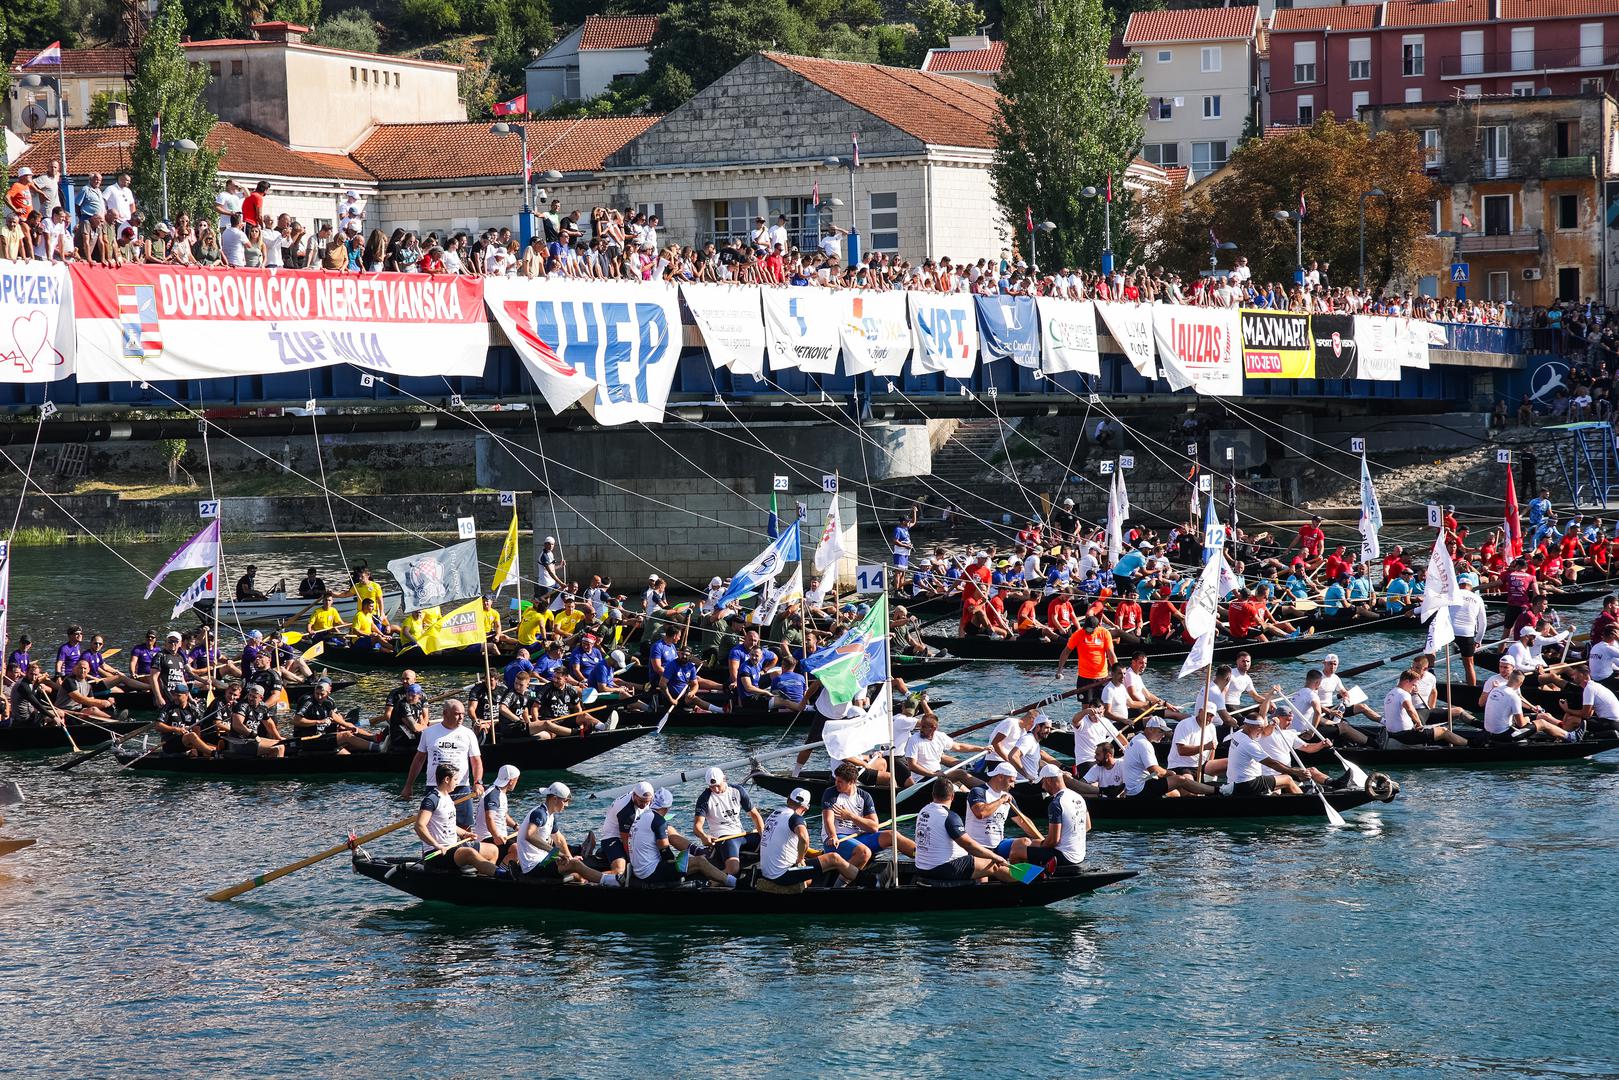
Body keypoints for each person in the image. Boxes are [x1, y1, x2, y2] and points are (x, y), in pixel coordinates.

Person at [400, 700, 484, 831]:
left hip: (461, 787)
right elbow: (418, 760)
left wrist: (478, 781)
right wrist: (408, 785)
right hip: (435, 787)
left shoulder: (468, 734)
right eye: (457, 714)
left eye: (463, 714)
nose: (461, 717)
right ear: (445, 713)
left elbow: (476, 761)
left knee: (465, 827)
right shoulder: (428, 733)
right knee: (433, 826)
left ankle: (464, 849)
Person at [913, 777, 1015, 883]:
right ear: (953, 796)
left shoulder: (923, 811)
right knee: (994, 865)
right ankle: (1026, 881)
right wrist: (995, 857)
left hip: (921, 867)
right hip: (943, 868)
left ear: (933, 794)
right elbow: (968, 845)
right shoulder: (949, 816)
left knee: (978, 860)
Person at [756, 788, 860, 891]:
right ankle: (867, 880)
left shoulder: (774, 814)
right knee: (834, 858)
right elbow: (804, 838)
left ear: (788, 799)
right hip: (783, 875)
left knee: (810, 875)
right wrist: (800, 859)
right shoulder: (795, 818)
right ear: (806, 808)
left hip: (767, 872)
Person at [821, 761, 915, 870]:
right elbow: (828, 820)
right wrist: (832, 836)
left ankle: (923, 857)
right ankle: (841, 882)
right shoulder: (830, 793)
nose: (836, 783)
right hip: (837, 840)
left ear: (852, 782)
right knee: (864, 852)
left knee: (893, 835)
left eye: (840, 781)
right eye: (836, 780)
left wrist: (851, 816)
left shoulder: (864, 796)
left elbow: (874, 827)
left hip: (859, 837)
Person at [415, 762, 500, 876]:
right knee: (469, 853)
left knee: (493, 850)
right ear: (446, 779)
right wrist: (436, 845)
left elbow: (448, 824)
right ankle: (502, 874)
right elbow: (419, 826)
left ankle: (485, 878)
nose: (457, 782)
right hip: (438, 852)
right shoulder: (431, 800)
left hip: (454, 846)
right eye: (455, 779)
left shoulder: (447, 797)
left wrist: (465, 834)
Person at [965, 762, 1046, 864]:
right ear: (1000, 777)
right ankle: (1004, 872)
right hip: (978, 846)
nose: (1013, 786)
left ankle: (1027, 871)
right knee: (982, 878)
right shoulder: (979, 791)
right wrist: (1001, 801)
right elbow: (980, 813)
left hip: (999, 845)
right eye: (1011, 781)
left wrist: (1043, 842)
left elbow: (1022, 821)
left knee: (1026, 842)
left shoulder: (1008, 797)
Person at [692, 767, 764, 876]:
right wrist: (703, 836)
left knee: (772, 843)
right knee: (733, 869)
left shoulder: (737, 791)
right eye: (712, 787)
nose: (715, 789)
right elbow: (697, 827)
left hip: (742, 834)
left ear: (724, 779)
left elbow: (754, 815)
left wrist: (763, 834)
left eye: (718, 785)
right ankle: (712, 882)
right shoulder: (704, 798)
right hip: (724, 837)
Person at [1122, 717, 1219, 797]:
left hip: (1134, 786)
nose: (1163, 735)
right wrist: (1171, 773)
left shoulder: (1136, 738)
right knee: (1181, 780)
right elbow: (1156, 771)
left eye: (1164, 732)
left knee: (1176, 793)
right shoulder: (1144, 744)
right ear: (1150, 729)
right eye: (1161, 731)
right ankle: (1216, 791)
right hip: (1140, 788)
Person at [1021, 763, 1090, 871]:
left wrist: (1039, 843)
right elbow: (1087, 826)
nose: (1043, 786)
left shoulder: (1056, 803)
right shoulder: (1079, 797)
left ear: (1048, 780)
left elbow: (1053, 841)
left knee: (1017, 850)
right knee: (1034, 845)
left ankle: (1027, 878)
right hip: (1079, 855)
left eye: (1043, 782)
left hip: (1064, 857)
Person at [1225, 712, 1309, 795]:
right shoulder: (1249, 744)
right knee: (1287, 779)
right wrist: (1295, 771)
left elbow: (1265, 731)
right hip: (1248, 784)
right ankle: (1305, 802)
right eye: (1260, 728)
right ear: (1250, 727)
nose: (1262, 730)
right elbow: (1272, 763)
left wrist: (1272, 724)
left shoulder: (1238, 734)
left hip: (1234, 781)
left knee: (1276, 783)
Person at [1381, 669, 1469, 746]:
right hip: (1407, 735)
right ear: (1407, 681)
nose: (1414, 687)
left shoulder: (1390, 694)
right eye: (1413, 684)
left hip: (1393, 734)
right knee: (1443, 731)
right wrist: (1418, 723)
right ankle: (1471, 745)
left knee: (1433, 731)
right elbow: (1410, 709)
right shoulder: (1404, 694)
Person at [1485, 670, 1575, 744]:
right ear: (1521, 683)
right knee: (1542, 723)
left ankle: (1562, 730)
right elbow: (1522, 724)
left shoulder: (1495, 689)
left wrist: (1531, 710)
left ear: (1509, 678)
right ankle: (1571, 736)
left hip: (1490, 731)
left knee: (1541, 716)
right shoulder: (1513, 696)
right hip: (1504, 735)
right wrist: (1528, 719)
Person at [512, 781, 576, 878]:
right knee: (575, 868)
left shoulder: (550, 814)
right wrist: (560, 854)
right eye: (565, 801)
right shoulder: (540, 813)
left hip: (542, 858)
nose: (566, 805)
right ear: (555, 799)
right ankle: (600, 880)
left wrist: (570, 858)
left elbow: (559, 840)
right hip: (532, 866)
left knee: (571, 861)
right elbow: (529, 835)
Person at [1054, 616, 1115, 700]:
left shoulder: (1104, 633)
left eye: (1090, 630)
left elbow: (1111, 654)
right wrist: (1059, 670)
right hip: (1084, 678)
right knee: (1086, 707)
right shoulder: (1078, 634)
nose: (1087, 631)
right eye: (1086, 629)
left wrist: (1116, 671)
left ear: (1097, 627)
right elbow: (1066, 652)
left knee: (1102, 705)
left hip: (1102, 677)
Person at [475, 764, 522, 864]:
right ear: (511, 781)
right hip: (487, 838)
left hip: (499, 836)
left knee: (527, 839)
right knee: (517, 850)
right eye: (516, 779)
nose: (517, 782)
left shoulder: (500, 792)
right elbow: (489, 817)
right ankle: (501, 871)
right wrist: (496, 836)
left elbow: (503, 815)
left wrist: (515, 826)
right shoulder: (494, 794)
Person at [1561, 665, 1618, 737]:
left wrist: (1566, 709)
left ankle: (1565, 738)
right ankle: (1566, 735)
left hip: (1611, 723)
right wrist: (1569, 712)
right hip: (1611, 722)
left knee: (1573, 720)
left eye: (1575, 674)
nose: (1572, 677)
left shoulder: (1589, 689)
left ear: (1583, 675)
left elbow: (1585, 714)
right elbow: (1589, 714)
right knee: (1571, 716)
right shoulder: (1594, 686)